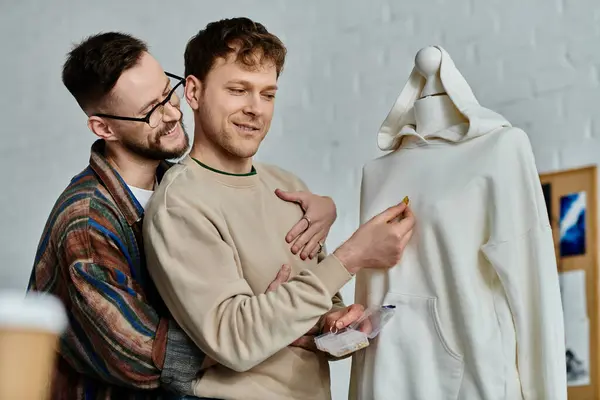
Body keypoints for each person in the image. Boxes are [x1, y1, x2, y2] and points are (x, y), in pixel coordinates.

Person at [27, 31, 343, 400]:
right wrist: (262, 327)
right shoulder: (85, 222)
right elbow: (145, 355)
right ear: (104, 127)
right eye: (150, 110)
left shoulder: (175, 185)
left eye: (168, 92)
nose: (174, 113)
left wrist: (324, 207)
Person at [143, 17, 416, 400]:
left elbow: (318, 299)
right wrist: (351, 257)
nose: (256, 109)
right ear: (193, 92)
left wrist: (332, 322)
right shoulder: (180, 204)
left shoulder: (287, 187)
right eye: (238, 90)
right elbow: (235, 339)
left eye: (267, 94)